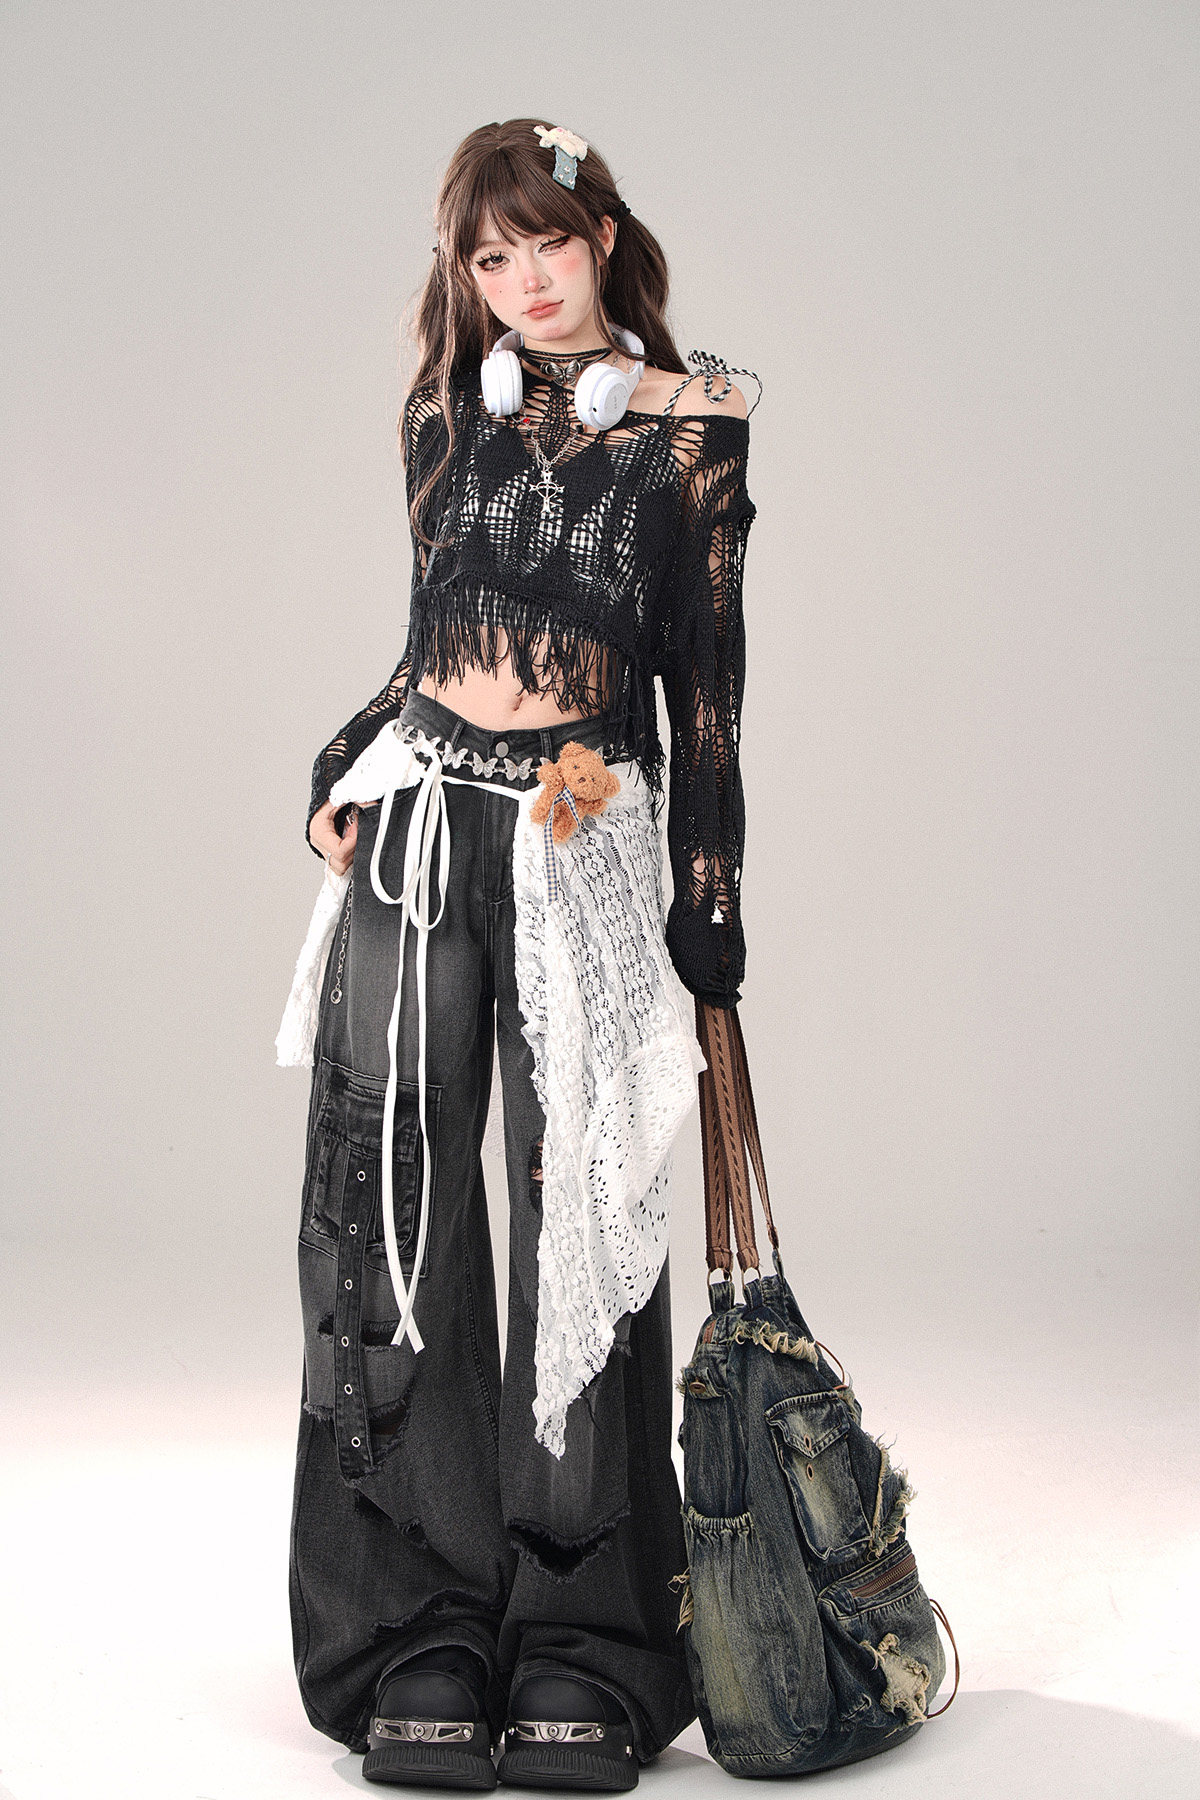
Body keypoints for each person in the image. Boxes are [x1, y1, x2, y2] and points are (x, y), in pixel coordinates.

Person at [276, 117, 760, 1791]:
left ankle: (584, 1640)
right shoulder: (442, 411)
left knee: (582, 1224)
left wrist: (709, 892)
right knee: (393, 1217)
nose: (525, 279)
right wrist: (341, 757)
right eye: (491, 257)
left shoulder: (694, 427)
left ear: (603, 233)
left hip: (583, 843)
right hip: (419, 830)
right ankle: (415, 1624)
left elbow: (706, 694)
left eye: (548, 240)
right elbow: (427, 635)